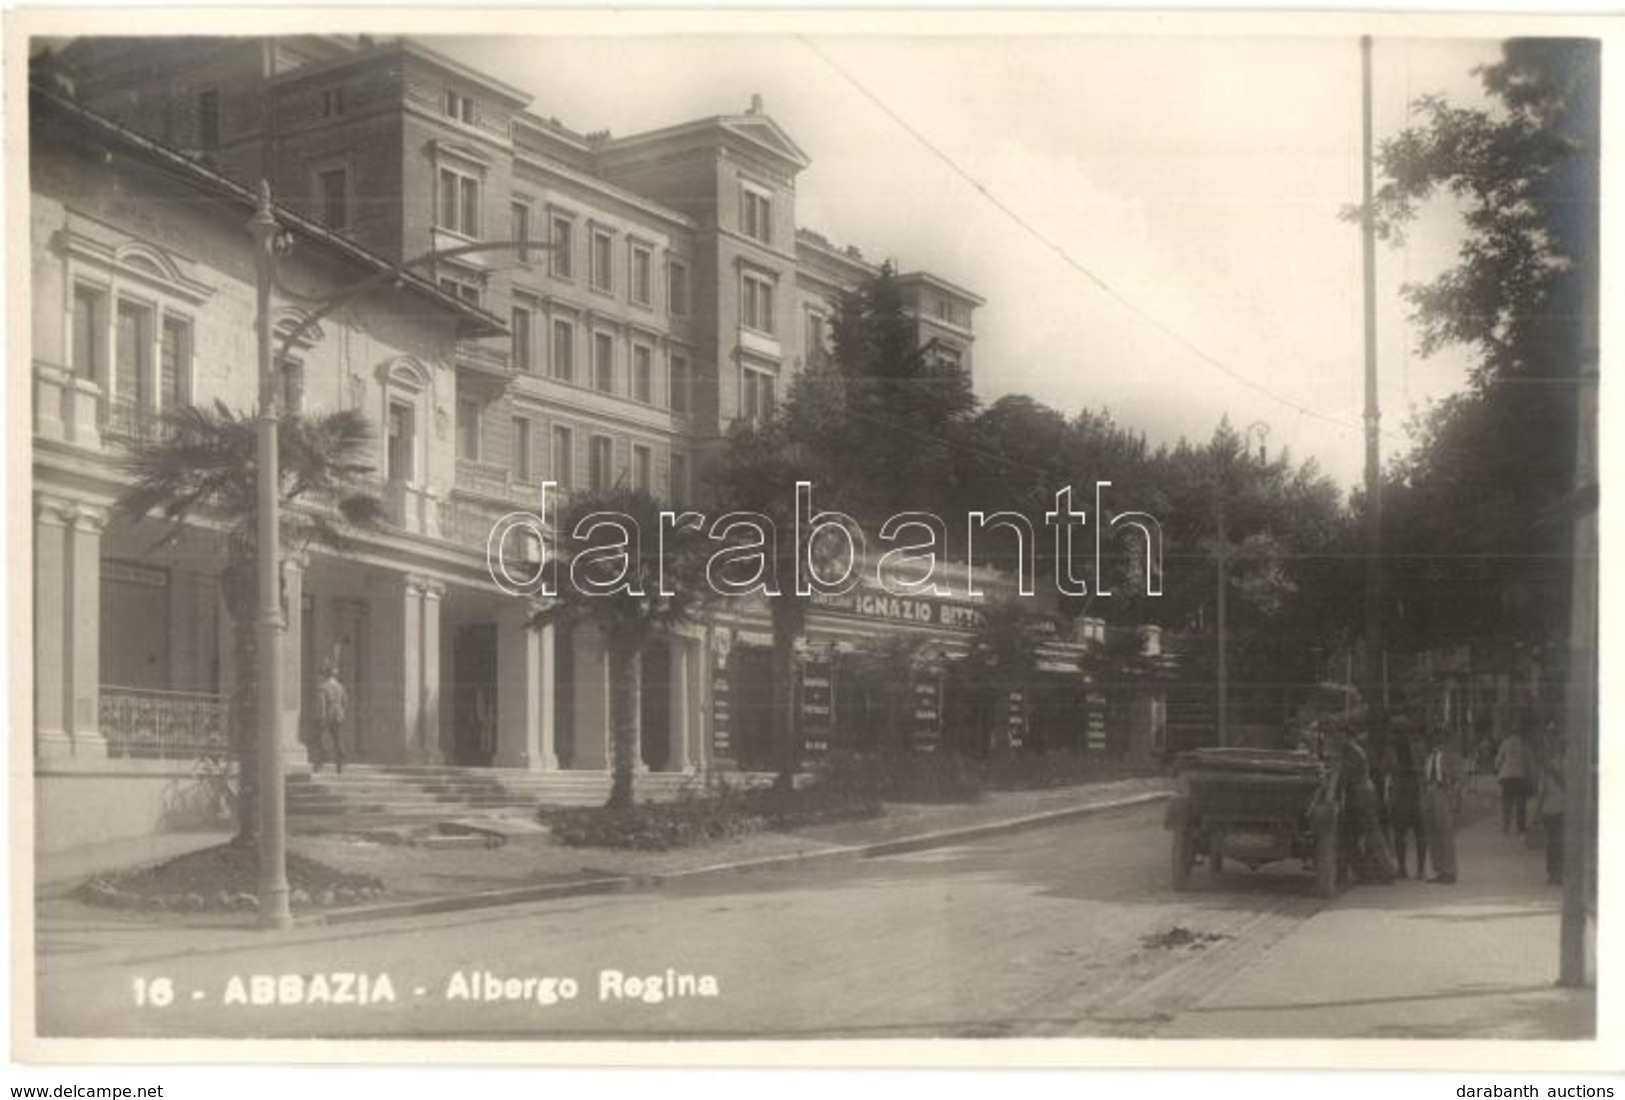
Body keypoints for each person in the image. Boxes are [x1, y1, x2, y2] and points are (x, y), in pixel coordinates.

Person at [1387, 735, 1427, 879]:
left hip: (1405, 796)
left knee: (1403, 834)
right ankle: (1416, 869)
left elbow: (1391, 770)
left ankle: (1405, 868)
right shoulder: (1417, 748)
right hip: (1412, 795)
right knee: (1417, 834)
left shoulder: (1392, 750)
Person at [1421, 733, 1458, 884]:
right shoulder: (1429, 757)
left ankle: (1449, 870)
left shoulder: (1450, 756)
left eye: (1440, 739)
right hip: (1429, 791)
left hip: (1442, 791)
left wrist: (1453, 797)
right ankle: (1439, 870)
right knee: (1433, 832)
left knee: (1444, 832)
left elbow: (1458, 778)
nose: (1436, 742)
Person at [1537, 740, 1568, 885]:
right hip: (1566, 809)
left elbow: (1542, 792)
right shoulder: (1574, 765)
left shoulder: (1549, 768)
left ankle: (1553, 873)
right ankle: (1563, 871)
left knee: (1552, 842)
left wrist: (1537, 811)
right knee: (1563, 841)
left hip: (1550, 810)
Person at [1495, 726, 1534, 835]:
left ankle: (1506, 827)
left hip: (1506, 776)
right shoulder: (1525, 744)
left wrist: (1498, 770)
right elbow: (1530, 763)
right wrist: (1531, 778)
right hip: (1520, 777)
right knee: (1521, 803)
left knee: (1507, 802)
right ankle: (1520, 828)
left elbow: (1498, 761)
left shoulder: (1505, 743)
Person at [315, 663, 348, 774]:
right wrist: (342, 712)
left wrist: (321, 716)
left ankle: (320, 764)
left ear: (325, 674)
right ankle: (340, 765)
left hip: (328, 714)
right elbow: (345, 702)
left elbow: (322, 704)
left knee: (321, 739)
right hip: (339, 714)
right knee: (338, 739)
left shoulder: (323, 687)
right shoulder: (340, 686)